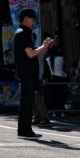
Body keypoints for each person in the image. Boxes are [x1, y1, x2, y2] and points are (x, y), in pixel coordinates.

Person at [14, 9, 54, 139]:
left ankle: (24, 130)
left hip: (26, 73)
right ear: (26, 19)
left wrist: (44, 46)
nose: (34, 22)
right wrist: (44, 46)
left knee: (27, 102)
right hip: (27, 74)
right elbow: (31, 54)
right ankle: (25, 131)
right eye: (32, 19)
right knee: (27, 102)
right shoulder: (24, 33)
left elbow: (33, 53)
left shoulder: (20, 32)